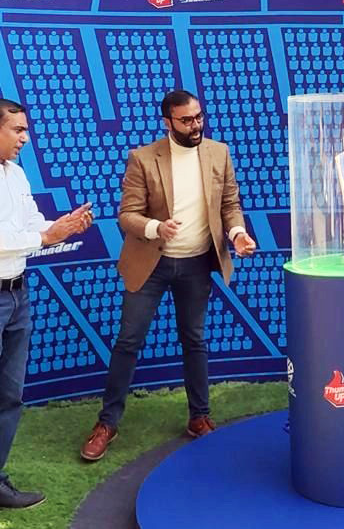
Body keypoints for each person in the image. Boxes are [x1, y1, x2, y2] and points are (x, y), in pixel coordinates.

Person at [80, 90, 256, 461]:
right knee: (129, 341)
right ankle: (107, 423)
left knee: (195, 340)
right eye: (186, 120)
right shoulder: (143, 158)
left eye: (199, 117)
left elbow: (229, 203)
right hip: (151, 264)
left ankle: (199, 417)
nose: (196, 125)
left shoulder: (218, 153)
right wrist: (156, 228)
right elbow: (127, 215)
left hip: (196, 264)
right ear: (167, 122)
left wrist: (237, 233)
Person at [0, 97, 93, 529]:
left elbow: (33, 224)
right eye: (17, 130)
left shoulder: (15, 174)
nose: (25, 138)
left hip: (17, 294)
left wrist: (63, 225)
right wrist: (45, 236)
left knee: (8, 395)